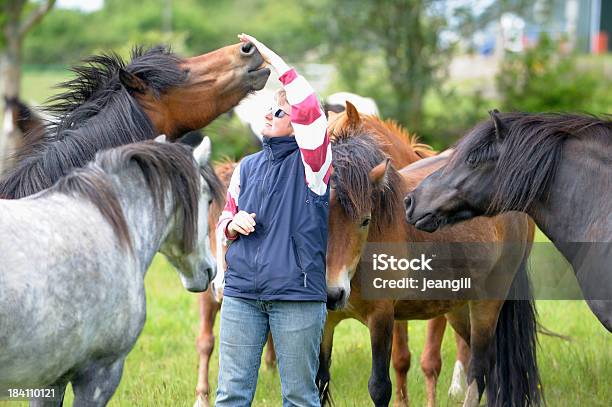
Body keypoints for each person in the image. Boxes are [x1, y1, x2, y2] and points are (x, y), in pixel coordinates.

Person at [214, 33, 332, 407]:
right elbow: (222, 223)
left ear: (297, 124)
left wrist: (272, 59)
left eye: (279, 111)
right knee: (230, 395)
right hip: (241, 295)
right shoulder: (247, 167)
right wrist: (232, 226)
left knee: (299, 397)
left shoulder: (314, 165)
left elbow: (310, 109)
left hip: (296, 297)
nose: (268, 113)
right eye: (269, 109)